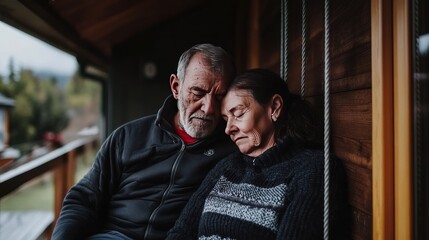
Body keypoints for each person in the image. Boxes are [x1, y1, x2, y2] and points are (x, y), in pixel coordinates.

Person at [52, 43, 237, 240]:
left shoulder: (231, 152)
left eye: (219, 97)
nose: (208, 108)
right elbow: (83, 198)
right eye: (198, 93)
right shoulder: (128, 136)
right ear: (176, 87)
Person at [167, 68, 348, 240]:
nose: (229, 129)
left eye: (238, 114)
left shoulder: (313, 169)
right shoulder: (228, 166)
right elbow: (182, 231)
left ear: (275, 107)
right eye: (225, 119)